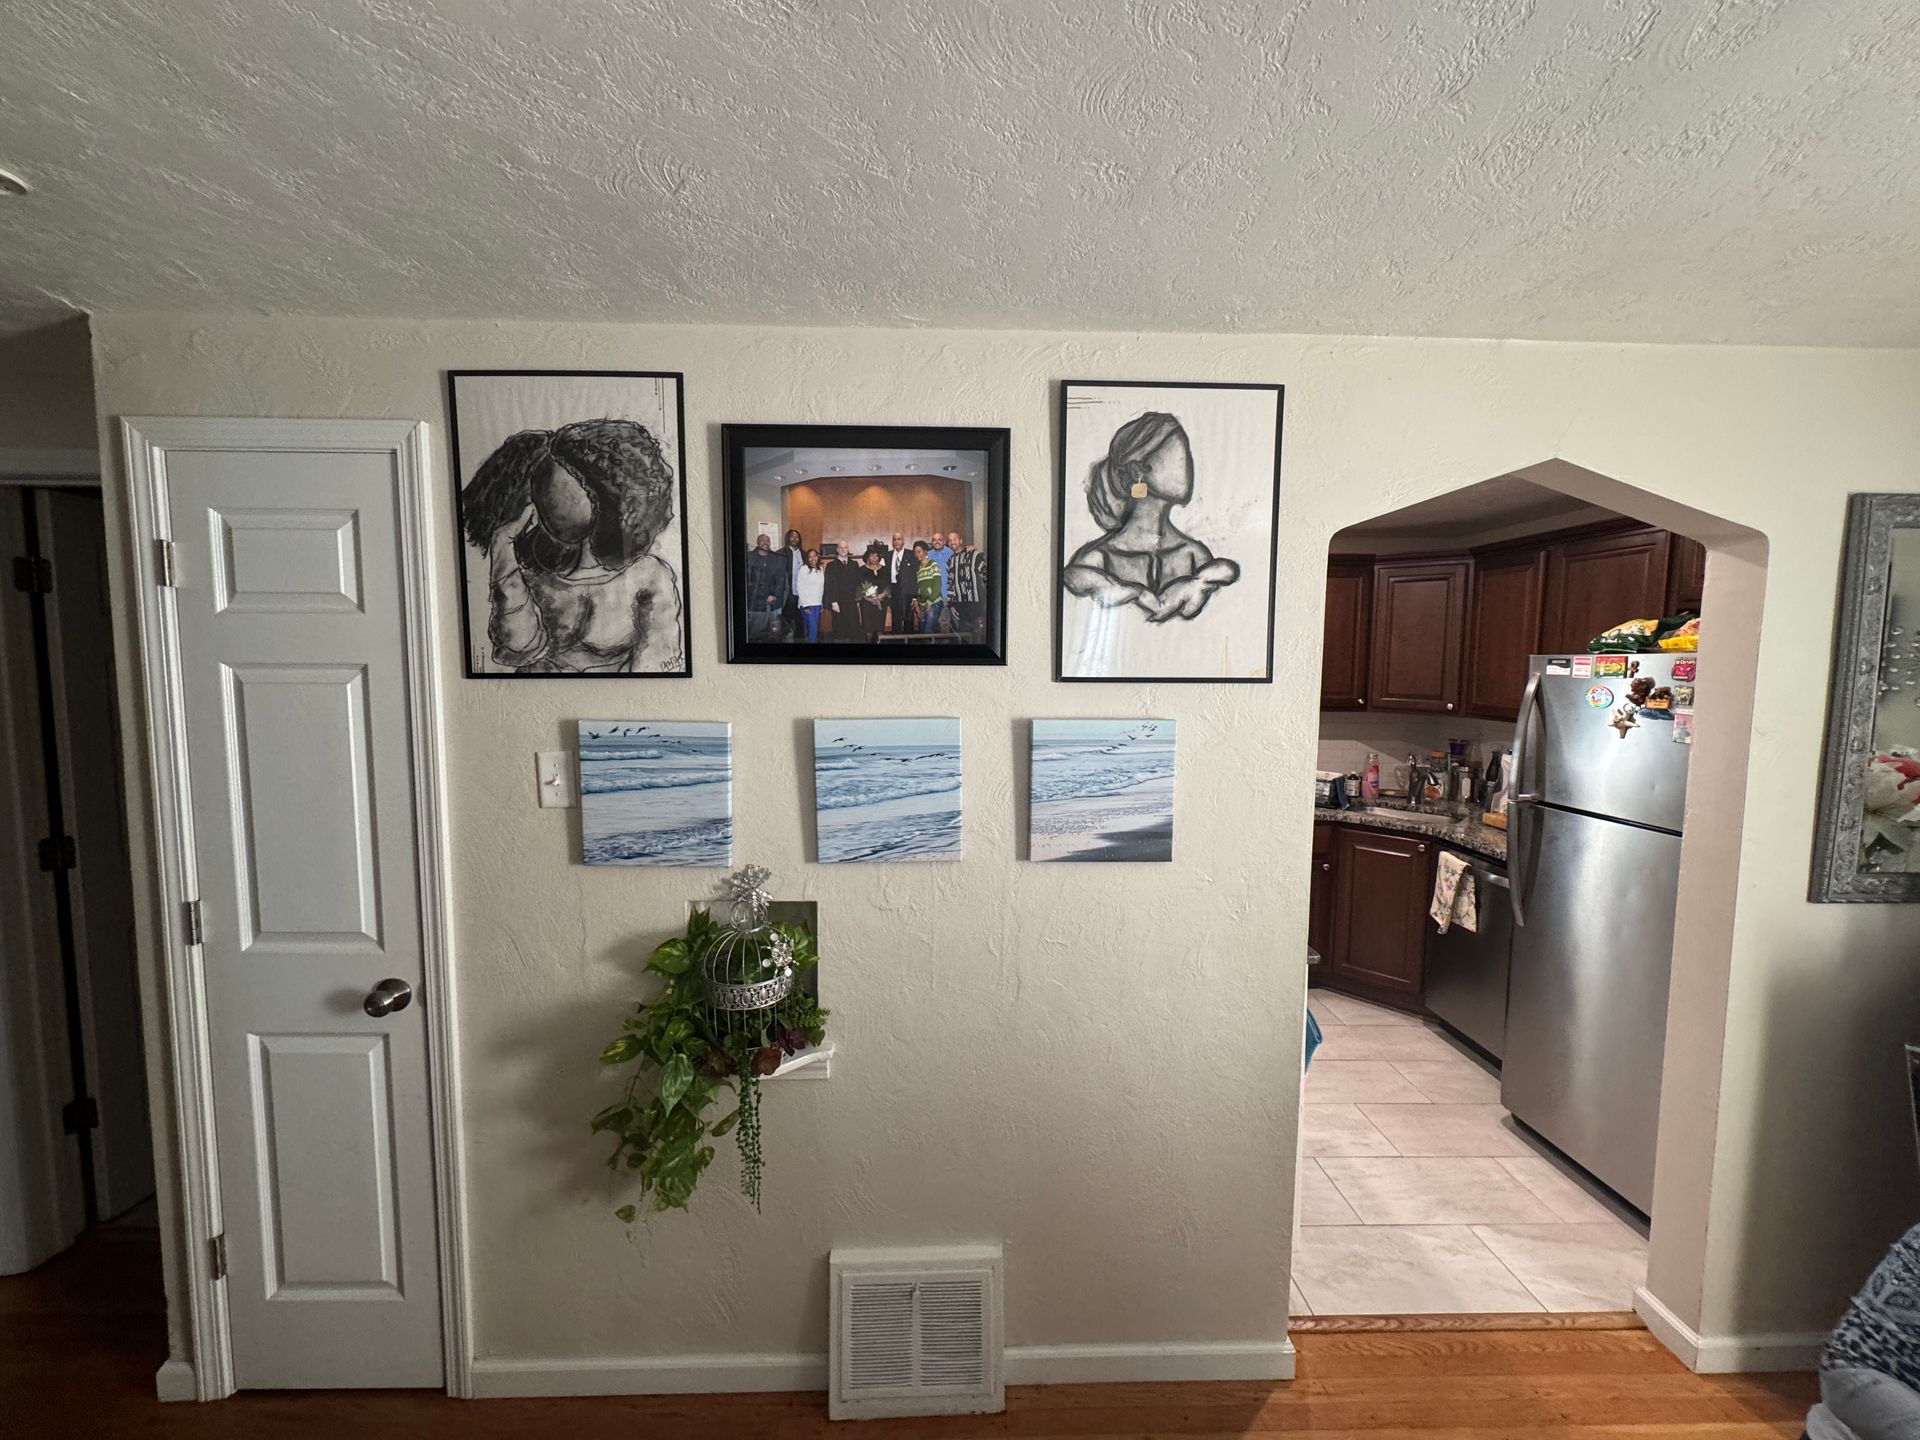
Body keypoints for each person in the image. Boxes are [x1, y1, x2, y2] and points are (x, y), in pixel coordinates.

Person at [459, 418, 685, 673]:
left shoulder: (649, 575)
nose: (548, 499)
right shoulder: (534, 568)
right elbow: (517, 651)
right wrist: (503, 551)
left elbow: (659, 665)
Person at [1061, 412, 1240, 623]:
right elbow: (1072, 581)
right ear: (1139, 471)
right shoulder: (1100, 558)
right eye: (1177, 455)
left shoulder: (1194, 555)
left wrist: (1197, 582)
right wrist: (1136, 593)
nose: (1187, 466)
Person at [744, 532, 788, 642]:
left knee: (774, 635)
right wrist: (764, 597)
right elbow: (749, 582)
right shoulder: (748, 558)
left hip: (774, 604)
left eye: (768, 540)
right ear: (757, 543)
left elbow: (780, 580)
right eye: (762, 540)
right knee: (753, 635)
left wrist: (773, 595)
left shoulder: (777, 559)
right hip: (754, 605)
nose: (765, 542)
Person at [948, 530, 988, 639]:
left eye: (954, 539)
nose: (952, 542)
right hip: (961, 605)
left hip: (976, 603)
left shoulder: (974, 555)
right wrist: (951, 605)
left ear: (960, 540)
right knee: (963, 636)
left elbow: (985, 574)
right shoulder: (951, 560)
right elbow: (950, 583)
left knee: (978, 634)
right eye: (950, 540)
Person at [823, 540, 862, 641]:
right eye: (841, 548)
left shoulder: (854, 564)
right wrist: (833, 602)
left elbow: (858, 583)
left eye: (845, 547)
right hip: (838, 602)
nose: (843, 550)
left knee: (854, 629)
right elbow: (829, 585)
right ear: (837, 550)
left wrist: (858, 599)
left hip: (852, 602)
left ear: (848, 550)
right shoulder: (831, 566)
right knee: (840, 630)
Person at [856, 545, 891, 640]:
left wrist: (882, 595)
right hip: (867, 604)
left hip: (881, 602)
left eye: (876, 555)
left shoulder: (885, 569)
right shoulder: (861, 570)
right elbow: (859, 587)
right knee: (868, 630)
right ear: (867, 557)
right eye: (872, 555)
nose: (874, 558)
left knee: (880, 628)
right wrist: (870, 599)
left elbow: (889, 585)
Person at [777, 526, 806, 640]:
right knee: (787, 617)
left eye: (797, 537)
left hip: (801, 592)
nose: (794, 539)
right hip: (787, 591)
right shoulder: (781, 553)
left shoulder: (804, 553)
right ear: (788, 538)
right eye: (792, 536)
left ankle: (800, 640)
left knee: (800, 618)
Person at [886, 530, 917, 635]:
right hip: (894, 591)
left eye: (899, 539)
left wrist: (914, 596)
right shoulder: (888, 555)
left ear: (903, 541)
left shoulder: (911, 554)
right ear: (892, 542)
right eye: (894, 539)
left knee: (909, 619)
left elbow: (914, 576)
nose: (896, 541)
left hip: (908, 591)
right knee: (896, 619)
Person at [912, 540, 945, 633]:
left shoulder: (932, 564)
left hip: (934, 603)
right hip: (922, 604)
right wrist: (916, 602)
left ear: (925, 551)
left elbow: (938, 585)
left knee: (928, 631)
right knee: (923, 632)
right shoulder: (918, 568)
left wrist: (930, 601)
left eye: (919, 551)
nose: (917, 554)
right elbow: (918, 587)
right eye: (915, 552)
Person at [793, 548, 825, 641]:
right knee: (813, 630)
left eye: (814, 556)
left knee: (814, 630)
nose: (812, 558)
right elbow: (800, 588)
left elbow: (820, 588)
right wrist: (805, 605)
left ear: (818, 557)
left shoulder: (820, 569)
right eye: (810, 557)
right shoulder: (803, 569)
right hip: (807, 605)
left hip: (817, 604)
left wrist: (821, 604)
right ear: (807, 558)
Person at [926, 530, 954, 600]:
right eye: (934, 540)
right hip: (932, 596)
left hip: (947, 595)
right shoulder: (928, 555)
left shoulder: (951, 553)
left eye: (940, 540)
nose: (937, 542)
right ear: (932, 543)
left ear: (944, 542)